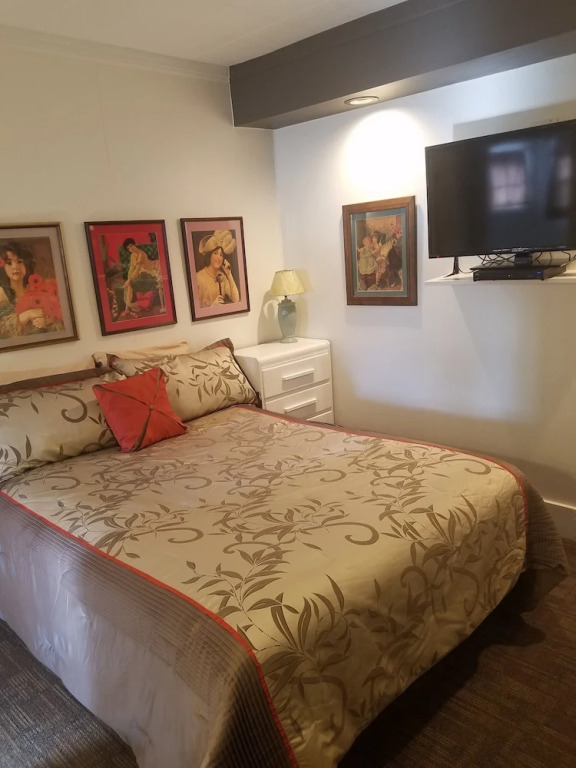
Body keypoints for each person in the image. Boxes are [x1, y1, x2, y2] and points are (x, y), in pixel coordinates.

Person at [0, 242, 51, 338]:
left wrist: (46, 321)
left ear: (26, 264)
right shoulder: (1, 293)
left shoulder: (36, 288)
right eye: (9, 263)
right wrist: (26, 315)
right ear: (3, 268)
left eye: (19, 261)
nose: (15, 267)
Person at [195, 230, 240, 308]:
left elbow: (236, 299)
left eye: (221, 255)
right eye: (215, 253)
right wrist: (212, 307)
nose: (219, 258)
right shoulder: (198, 278)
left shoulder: (222, 276)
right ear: (209, 255)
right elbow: (196, 308)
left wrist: (229, 275)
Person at [121, 238, 164, 316]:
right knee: (129, 285)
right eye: (128, 248)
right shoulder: (132, 256)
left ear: (135, 244)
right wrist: (128, 279)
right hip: (141, 272)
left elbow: (137, 269)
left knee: (130, 283)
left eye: (131, 246)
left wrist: (129, 280)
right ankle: (127, 309)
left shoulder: (141, 254)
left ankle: (127, 308)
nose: (131, 249)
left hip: (149, 270)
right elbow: (131, 269)